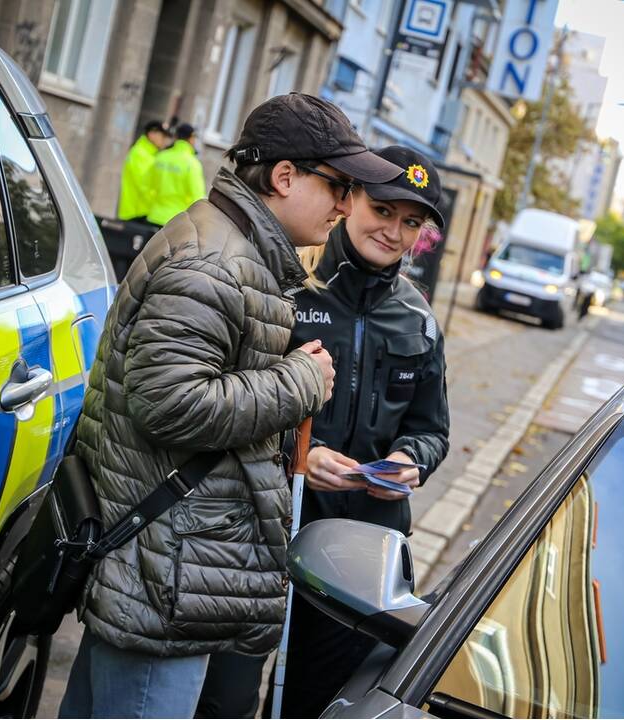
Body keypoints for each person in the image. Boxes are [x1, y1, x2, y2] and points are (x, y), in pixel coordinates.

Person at [58, 93, 401, 720]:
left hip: (178, 567)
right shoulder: (214, 262)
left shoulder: (238, 253)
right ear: (285, 176)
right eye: (340, 186)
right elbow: (170, 403)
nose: (348, 207)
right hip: (169, 577)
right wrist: (299, 382)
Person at [196, 147, 451, 719]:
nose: (394, 232)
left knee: (316, 704)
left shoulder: (418, 316)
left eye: (411, 223)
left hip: (361, 552)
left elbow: (432, 428)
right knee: (225, 700)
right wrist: (303, 457)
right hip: (265, 528)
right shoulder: (291, 285)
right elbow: (236, 398)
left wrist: (412, 459)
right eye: (383, 210)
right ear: (350, 199)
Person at [146, 123, 206, 227]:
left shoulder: (161, 157)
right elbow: (197, 198)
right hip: (176, 222)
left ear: (176, 137)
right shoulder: (192, 164)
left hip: (154, 216)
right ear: (191, 139)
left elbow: (148, 186)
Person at [117, 120, 170, 221]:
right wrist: (159, 205)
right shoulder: (141, 154)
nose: (164, 140)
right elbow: (145, 186)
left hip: (140, 211)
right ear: (151, 134)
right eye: (162, 136)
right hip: (137, 212)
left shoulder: (149, 154)